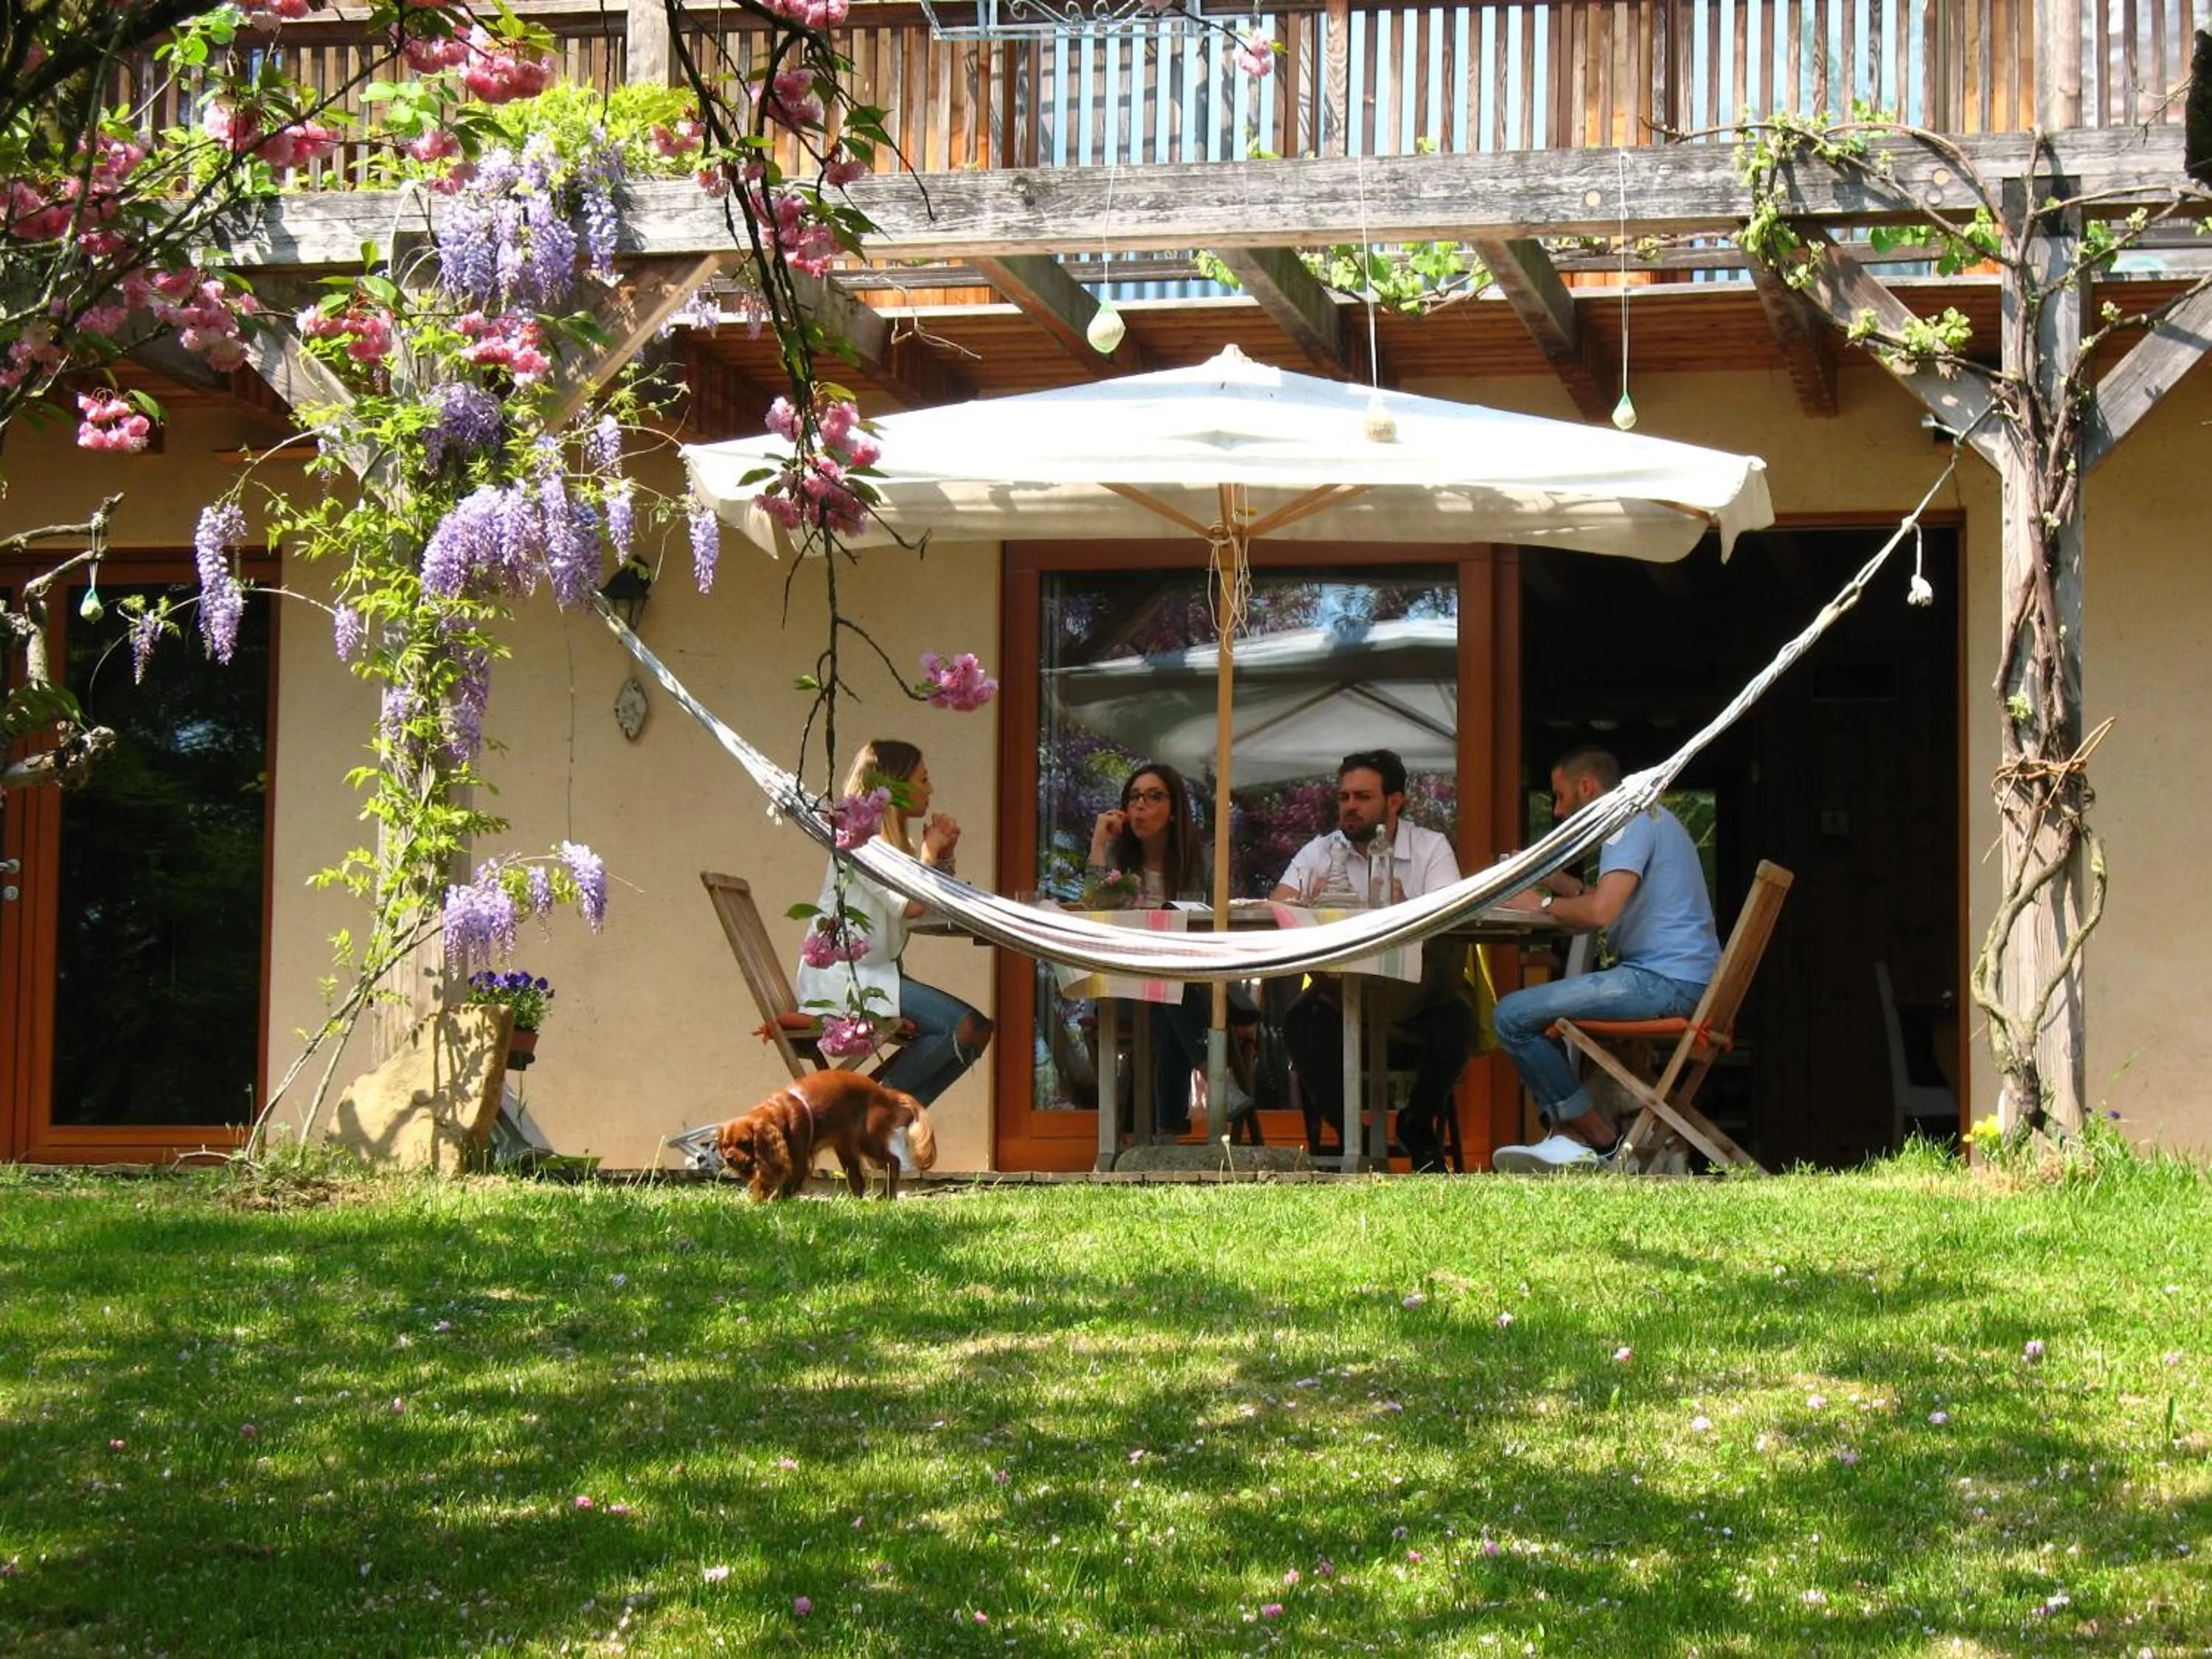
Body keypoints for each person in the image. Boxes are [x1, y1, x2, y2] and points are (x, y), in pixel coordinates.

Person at [1489, 744, 1721, 1172]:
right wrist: (1556, 883)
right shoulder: (1648, 816)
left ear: (1586, 787)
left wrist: (1539, 904)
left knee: (1512, 1016)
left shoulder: (1625, 820)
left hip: (1663, 983)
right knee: (1522, 1015)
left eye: (1560, 797)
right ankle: (1570, 1136)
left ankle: (1594, 1139)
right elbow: (1604, 901)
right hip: (1684, 980)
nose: (1558, 811)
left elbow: (1601, 912)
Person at [1269, 748, 1475, 1172]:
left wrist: (1410, 904)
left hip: (1417, 993)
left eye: (1362, 797)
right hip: (1340, 993)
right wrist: (1307, 903)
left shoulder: (1430, 847)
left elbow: (1451, 913)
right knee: (1300, 1023)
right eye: (1344, 797)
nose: (1350, 807)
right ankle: (1353, 1136)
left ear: (1395, 802)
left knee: (1457, 1022)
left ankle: (1418, 1124)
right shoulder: (1321, 850)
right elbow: (1277, 904)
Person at [796, 739, 993, 1105]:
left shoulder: (893, 847)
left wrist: (942, 859)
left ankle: (893, 1122)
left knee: (977, 1030)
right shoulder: (861, 842)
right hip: (846, 982)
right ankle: (870, 1112)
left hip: (878, 975)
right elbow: (913, 907)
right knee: (962, 1026)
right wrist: (929, 855)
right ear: (895, 785)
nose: (930, 789)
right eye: (923, 779)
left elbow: (928, 908)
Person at [1084, 761, 1248, 1136]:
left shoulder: (1203, 859)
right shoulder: (1116, 857)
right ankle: (1216, 1079)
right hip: (1125, 985)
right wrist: (1098, 844)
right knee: (1171, 988)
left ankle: (1166, 1135)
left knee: (1171, 989)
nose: (1140, 805)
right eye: (1134, 797)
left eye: (1154, 797)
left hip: (1197, 980)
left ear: (1174, 811)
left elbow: (1220, 923)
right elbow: (1094, 908)